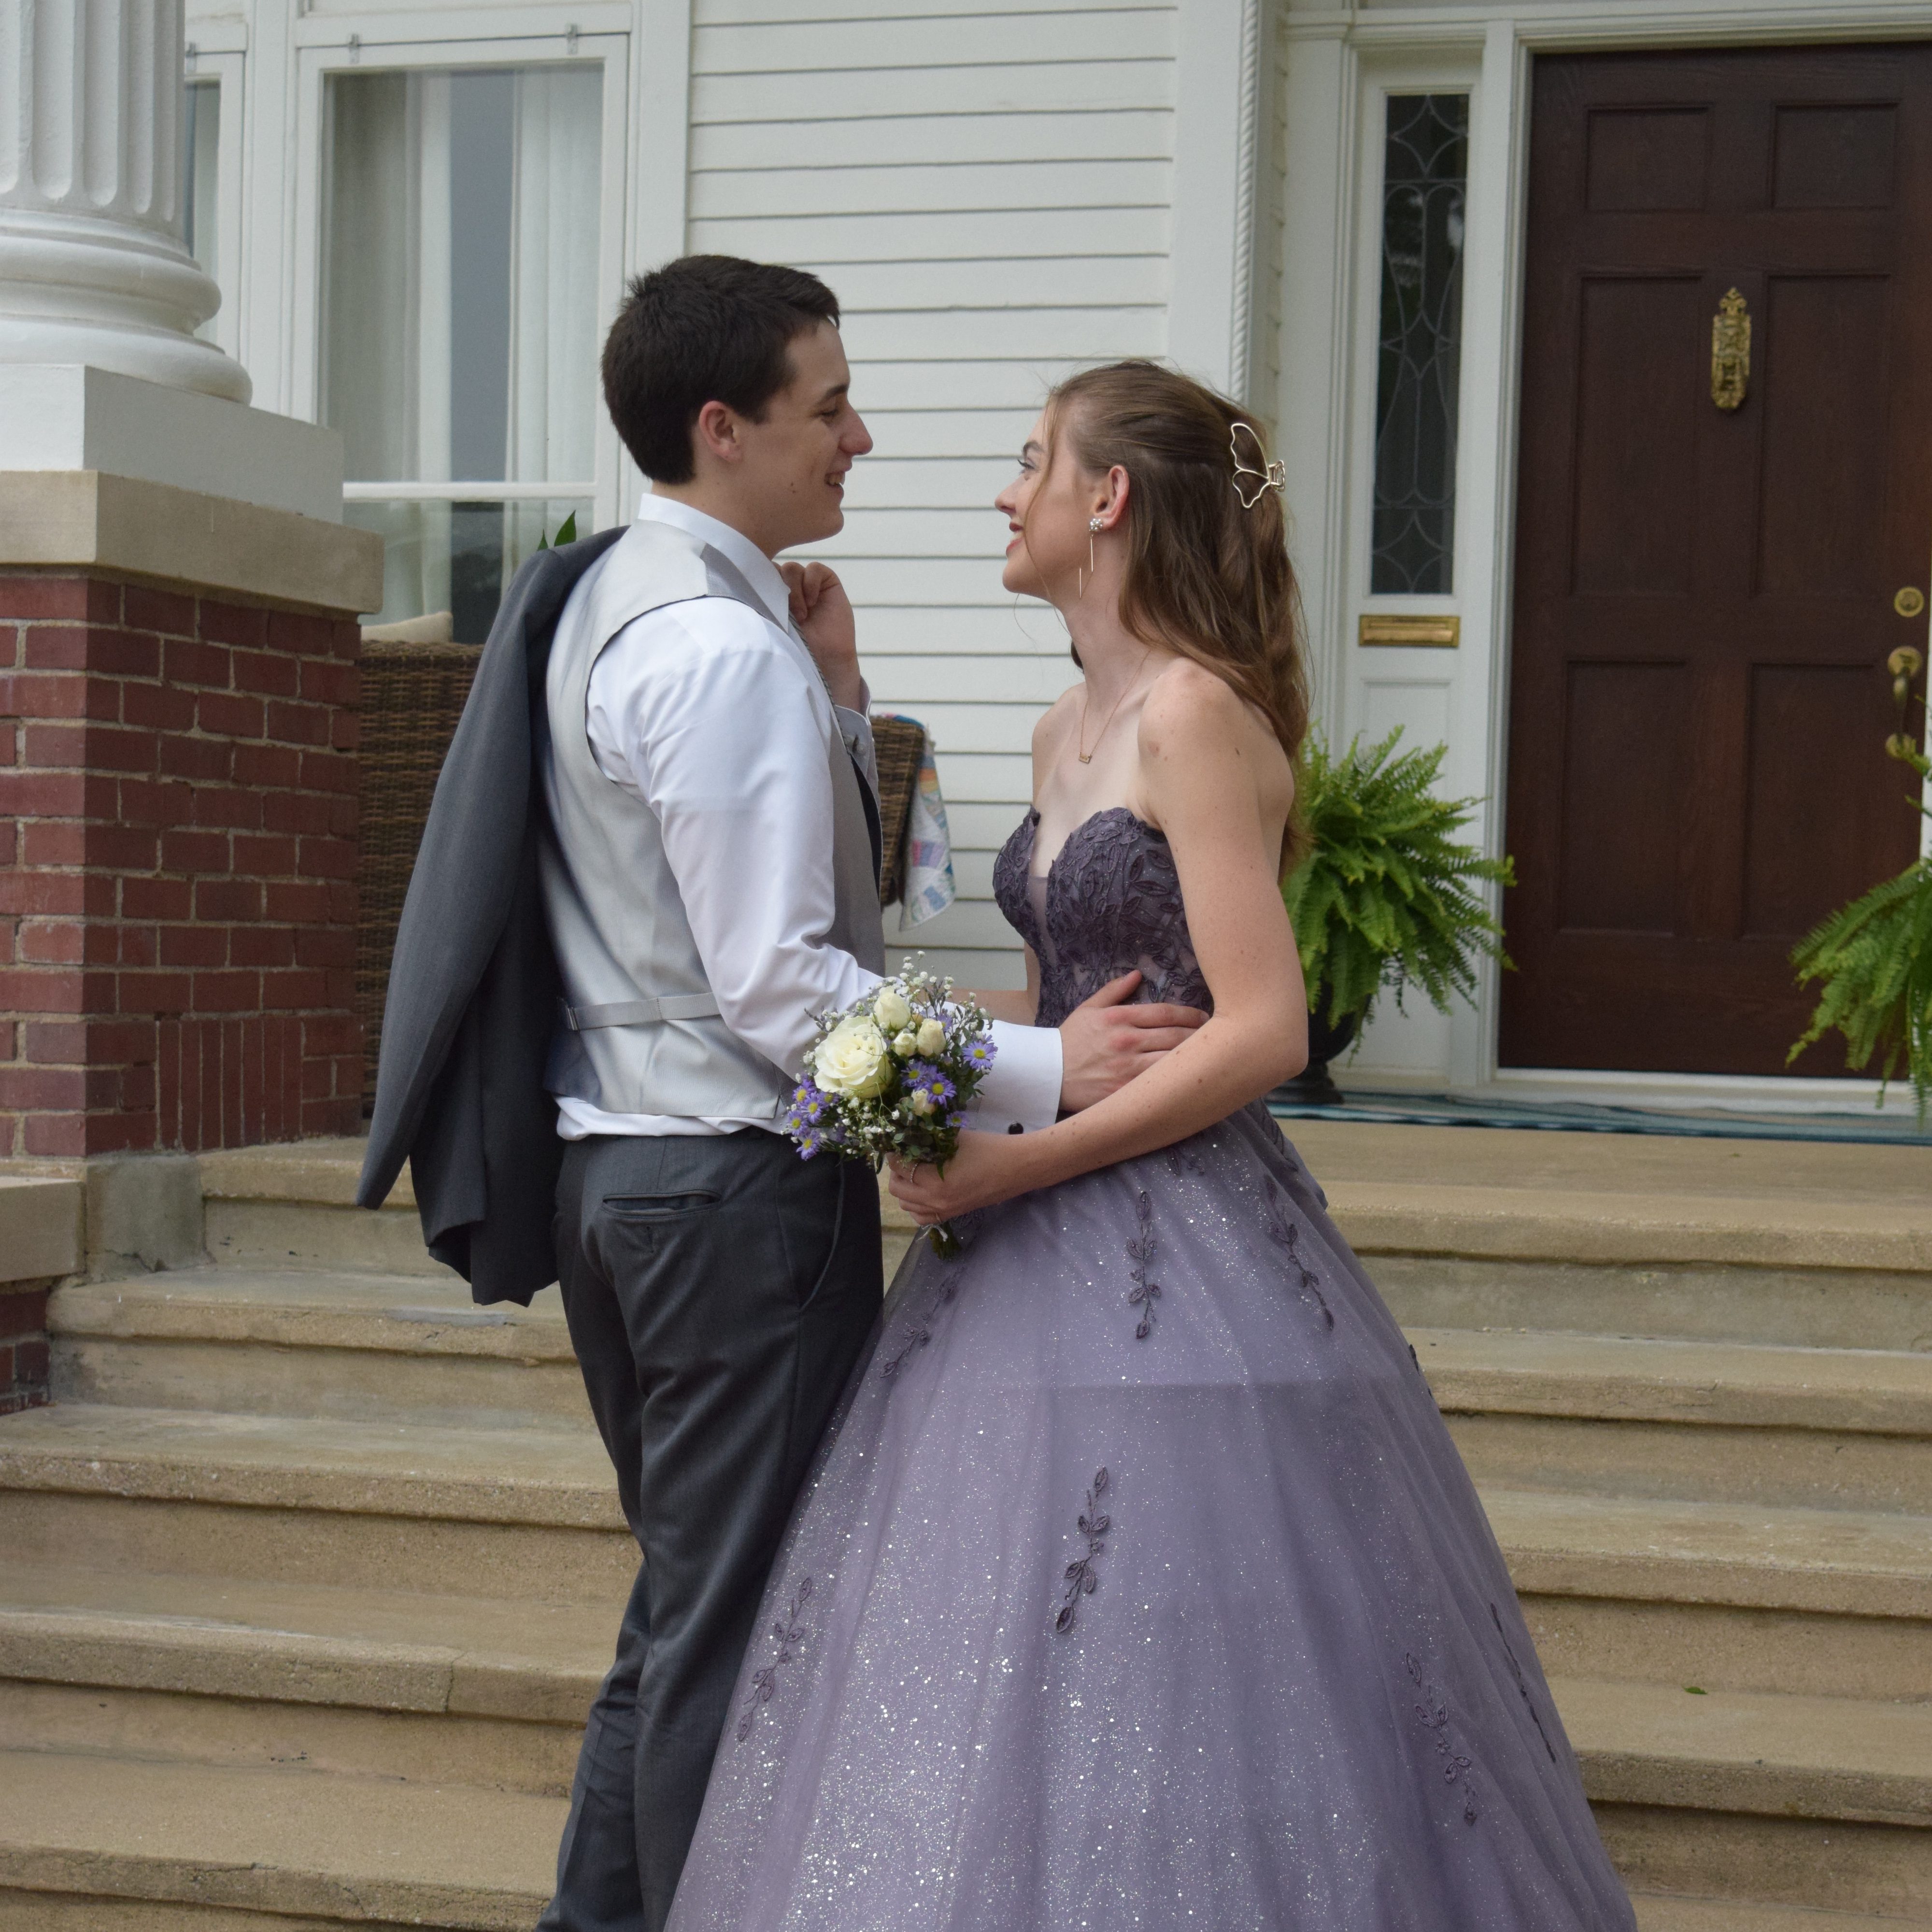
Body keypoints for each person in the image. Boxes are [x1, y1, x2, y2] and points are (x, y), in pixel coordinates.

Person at [663, 361, 1638, 1929]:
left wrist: (1012, 1167)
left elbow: (1265, 1029)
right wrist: (904, 1053)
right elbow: (1067, 1001)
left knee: (1179, 1654)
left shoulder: (1195, 714)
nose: (1007, 491)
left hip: (1181, 1248)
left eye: (1032, 460)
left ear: (1106, 499)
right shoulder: (1066, 726)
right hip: (1014, 1254)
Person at [360, 257, 1209, 1932]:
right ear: (722, 427)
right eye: (831, 408)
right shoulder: (716, 653)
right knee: (739, 1638)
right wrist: (1048, 1068)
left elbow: (729, 918)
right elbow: (780, 989)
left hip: (623, 1182)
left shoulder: (620, 603)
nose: (860, 438)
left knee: (688, 1611)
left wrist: (835, 700)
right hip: (732, 1208)